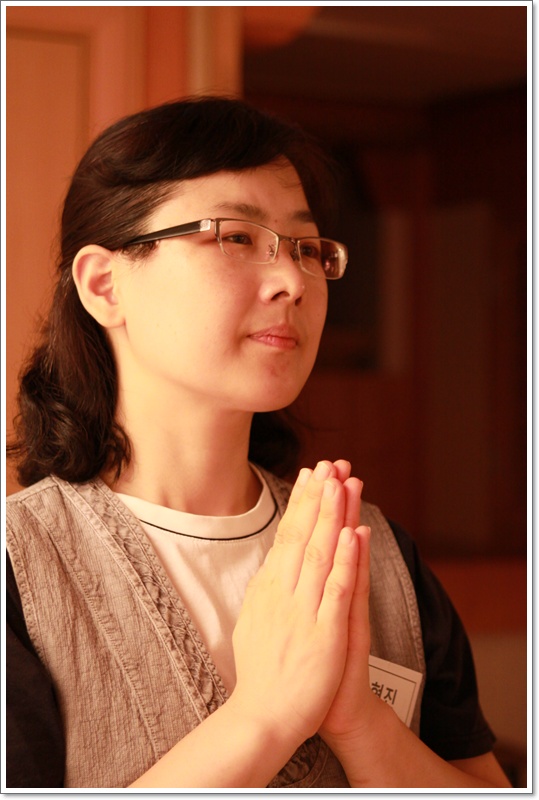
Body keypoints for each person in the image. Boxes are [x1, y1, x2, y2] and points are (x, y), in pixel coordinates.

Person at [6, 96, 510, 789]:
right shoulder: (21, 573)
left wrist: (361, 724)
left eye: (306, 248)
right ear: (104, 285)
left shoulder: (379, 553)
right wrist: (264, 717)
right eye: (236, 237)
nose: (292, 281)